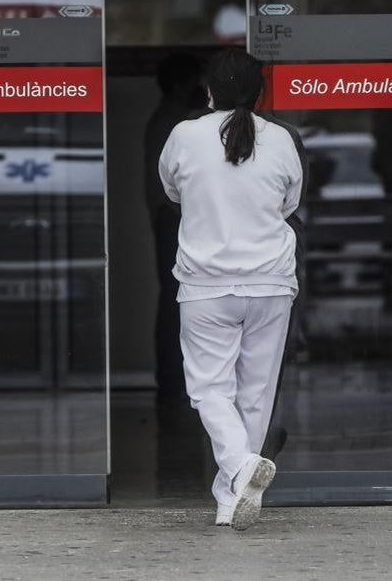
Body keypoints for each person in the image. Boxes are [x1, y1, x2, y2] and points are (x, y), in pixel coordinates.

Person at [158, 48, 303, 530]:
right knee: (256, 394)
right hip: (269, 283)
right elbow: (289, 203)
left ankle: (239, 469)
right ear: (259, 94)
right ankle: (230, 497)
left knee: (209, 390)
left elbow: (172, 190)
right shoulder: (281, 139)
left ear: (209, 92)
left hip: (206, 286)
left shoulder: (184, 135)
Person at [144, 53, 206, 404]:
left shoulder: (170, 121)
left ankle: (173, 379)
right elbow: (172, 187)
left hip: (171, 219)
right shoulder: (173, 124)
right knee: (175, 300)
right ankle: (171, 379)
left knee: (174, 300)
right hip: (173, 220)